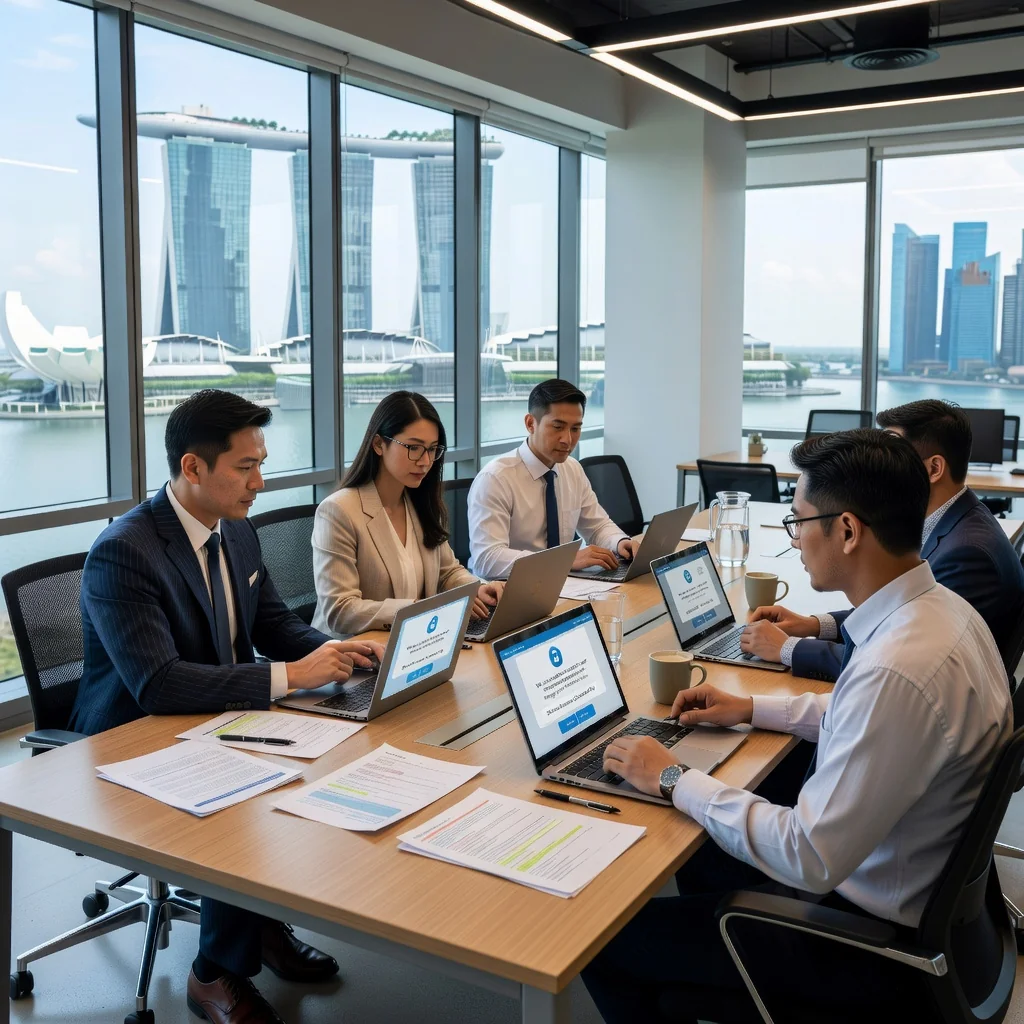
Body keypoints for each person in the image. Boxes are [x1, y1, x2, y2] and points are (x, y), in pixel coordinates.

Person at [582, 429, 1011, 1023]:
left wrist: (674, 777)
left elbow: (807, 853)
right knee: (698, 850)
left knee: (603, 939)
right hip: (918, 892)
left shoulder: (896, 669)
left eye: (799, 520)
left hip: (864, 941)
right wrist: (750, 708)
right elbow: (865, 719)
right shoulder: (943, 613)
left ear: (848, 530)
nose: (794, 537)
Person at [70, 389, 384, 1024]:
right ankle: (213, 972)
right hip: (134, 737)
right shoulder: (124, 551)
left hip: (219, 719)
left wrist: (334, 652)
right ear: (193, 467)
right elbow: (158, 684)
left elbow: (274, 625)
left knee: (331, 757)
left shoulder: (235, 531)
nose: (259, 483)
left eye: (260, 464)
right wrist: (288, 677)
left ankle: (259, 928)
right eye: (245, 467)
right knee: (244, 793)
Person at [741, 399, 1024, 681]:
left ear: (934, 469)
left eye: (895, 450)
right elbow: (890, 611)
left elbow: (894, 656)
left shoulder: (968, 554)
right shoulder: (956, 522)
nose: (878, 461)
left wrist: (787, 648)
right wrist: (814, 624)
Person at [312, 391, 502, 636]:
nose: (425, 461)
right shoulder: (339, 511)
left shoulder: (421, 502)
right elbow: (341, 610)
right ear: (379, 444)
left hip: (419, 639)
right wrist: (422, 609)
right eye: (414, 448)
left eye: (432, 449)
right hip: (355, 650)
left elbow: (448, 572)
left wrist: (475, 588)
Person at [467, 378, 639, 579]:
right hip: (511, 587)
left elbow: (597, 526)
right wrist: (562, 561)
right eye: (558, 427)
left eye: (575, 429)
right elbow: (486, 559)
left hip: (565, 583)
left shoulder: (572, 469)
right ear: (530, 424)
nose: (567, 440)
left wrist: (619, 542)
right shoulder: (495, 479)